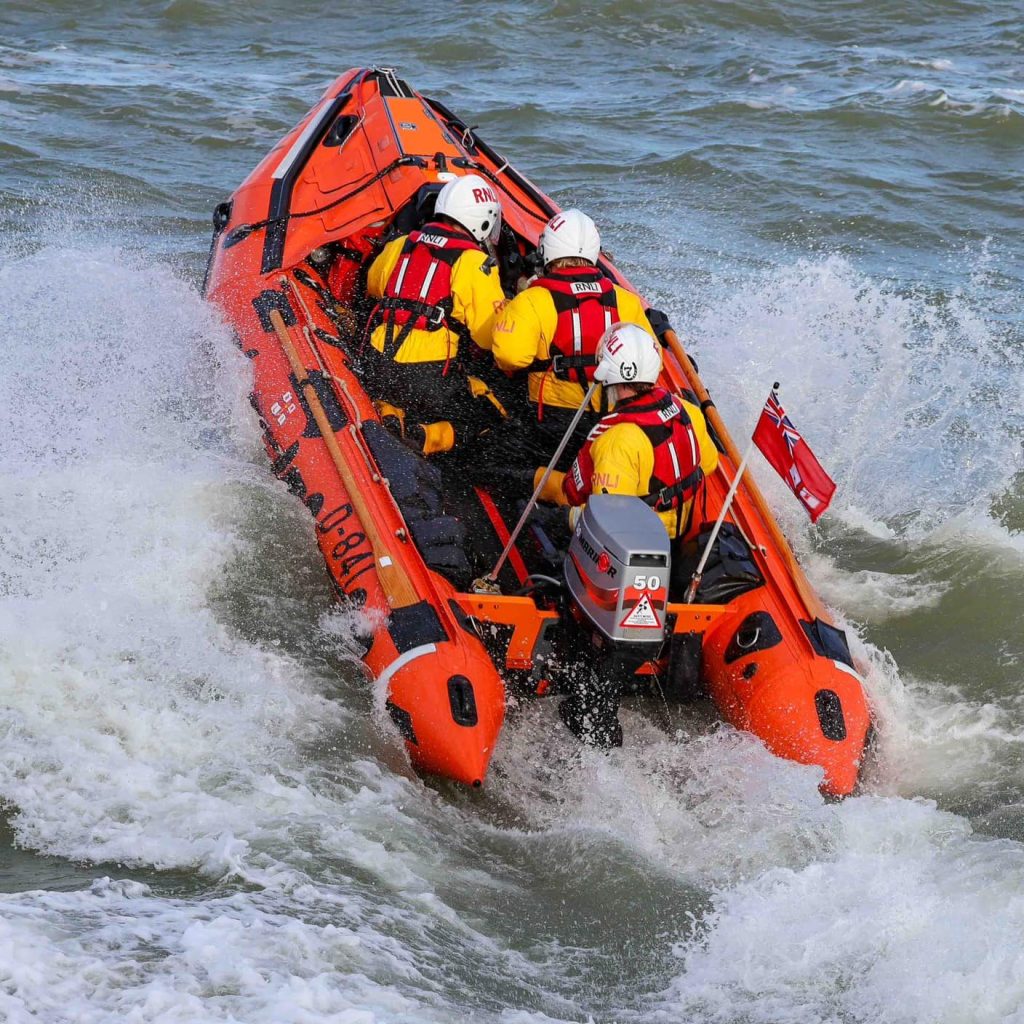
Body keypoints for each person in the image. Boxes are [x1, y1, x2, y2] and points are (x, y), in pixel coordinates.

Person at [535, 322, 720, 747]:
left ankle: (580, 672)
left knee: (540, 525)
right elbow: (708, 463)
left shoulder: (618, 439)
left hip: (636, 553)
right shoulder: (687, 412)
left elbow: (606, 520)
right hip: (678, 541)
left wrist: (560, 518)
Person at [489, 209, 657, 469]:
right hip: (613, 421)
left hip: (553, 425)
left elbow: (508, 357)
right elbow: (653, 363)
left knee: (489, 457)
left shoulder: (533, 300)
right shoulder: (626, 301)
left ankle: (549, 485)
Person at [363, 174, 508, 456]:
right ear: (482, 220)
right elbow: (488, 337)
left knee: (396, 387)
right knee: (492, 412)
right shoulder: (474, 261)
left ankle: (389, 410)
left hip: (378, 364)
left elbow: (373, 285)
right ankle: (425, 437)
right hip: (427, 378)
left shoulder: (400, 244)